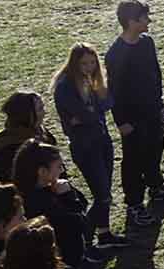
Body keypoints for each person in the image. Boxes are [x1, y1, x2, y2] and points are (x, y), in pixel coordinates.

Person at [106, 0, 164, 226]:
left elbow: (156, 75)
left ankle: (156, 187)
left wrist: (159, 104)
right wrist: (121, 122)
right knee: (133, 160)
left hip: (152, 111)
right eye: (144, 18)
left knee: (154, 150)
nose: (148, 21)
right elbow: (115, 92)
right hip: (132, 119)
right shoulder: (116, 54)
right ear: (132, 21)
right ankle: (134, 204)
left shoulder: (146, 43)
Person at [52, 45, 126, 248]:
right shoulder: (65, 86)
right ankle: (85, 238)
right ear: (74, 63)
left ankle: (103, 233)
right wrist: (89, 112)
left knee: (105, 193)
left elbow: (107, 103)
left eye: (92, 63)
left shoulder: (92, 80)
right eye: (84, 63)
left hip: (102, 140)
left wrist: (89, 112)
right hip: (85, 146)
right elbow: (85, 114)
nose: (89, 67)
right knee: (102, 195)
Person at [12, 140, 108, 269]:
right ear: (42, 171)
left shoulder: (40, 190)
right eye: (58, 166)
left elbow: (83, 202)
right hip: (64, 264)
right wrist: (67, 196)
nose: (62, 171)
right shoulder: (42, 202)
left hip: (72, 259)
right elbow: (79, 224)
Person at [0, 90, 57, 185]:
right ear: (27, 115)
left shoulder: (39, 131)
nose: (44, 113)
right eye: (40, 109)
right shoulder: (10, 147)